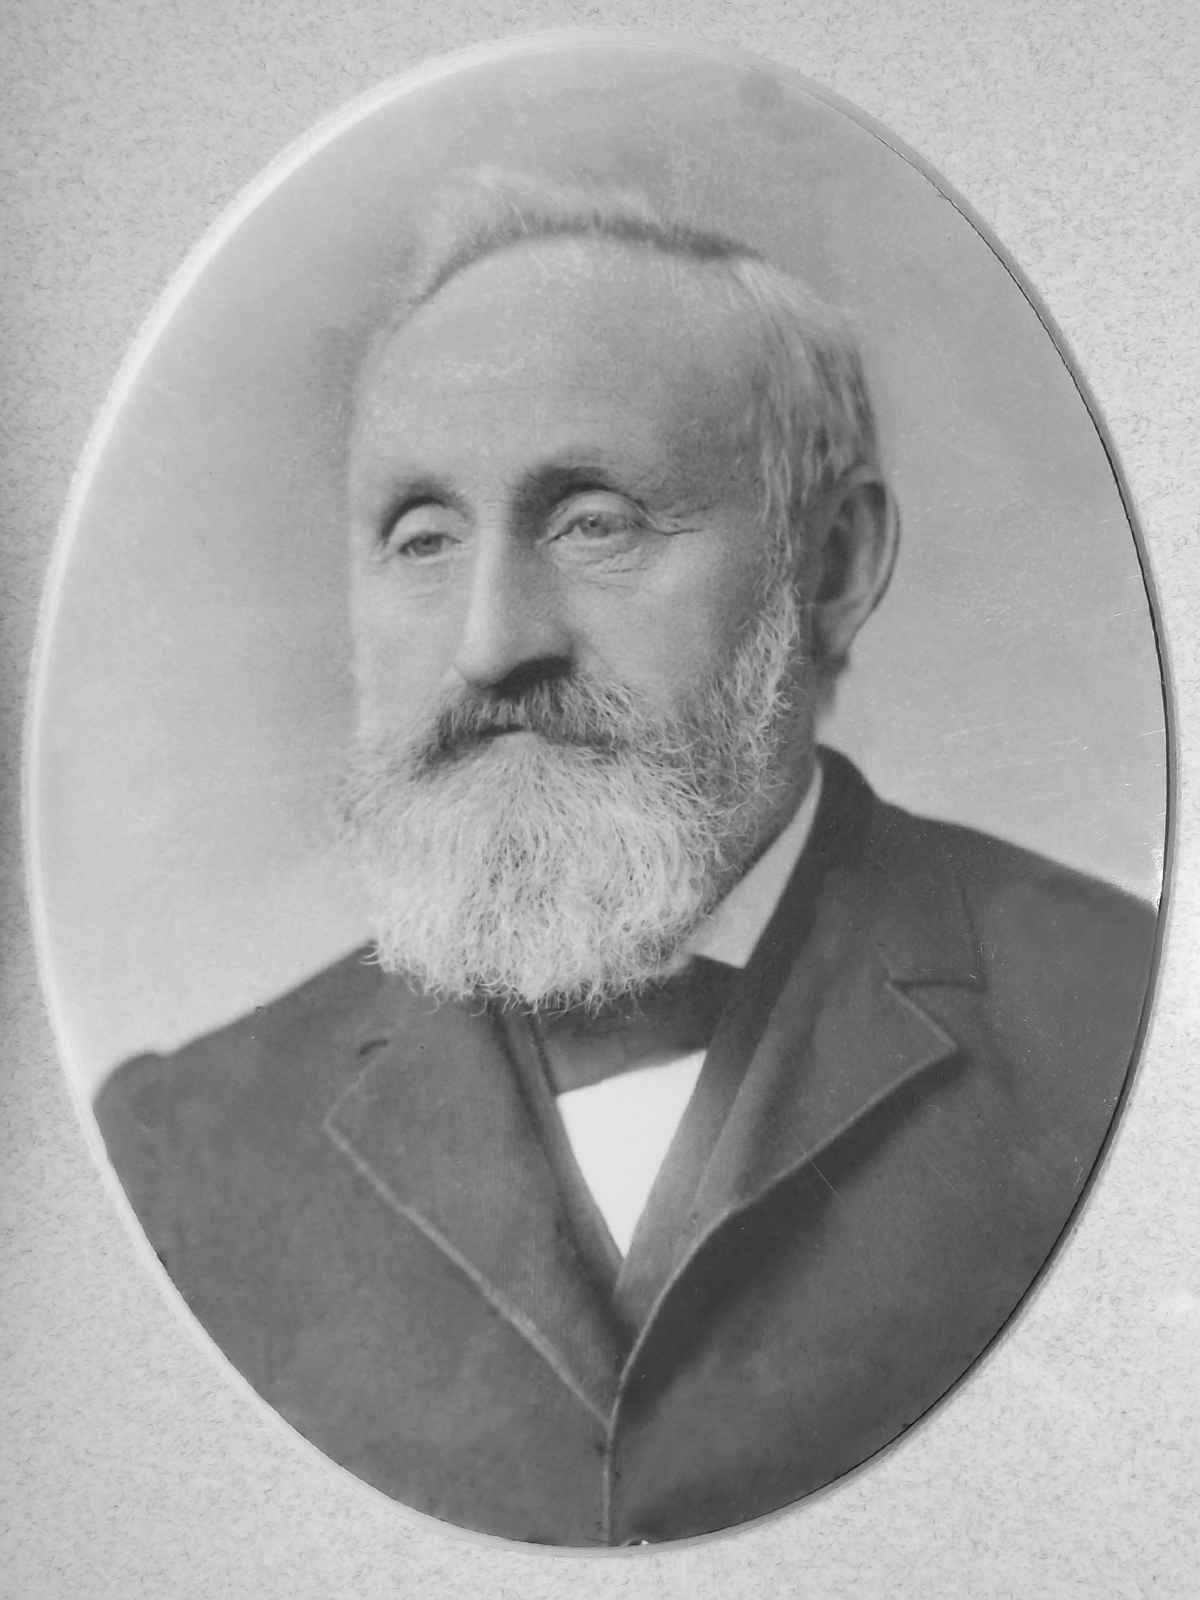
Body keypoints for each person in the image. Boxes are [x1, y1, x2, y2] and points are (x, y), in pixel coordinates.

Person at [94, 177, 1157, 1547]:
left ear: (833, 566)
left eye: (594, 521)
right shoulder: (179, 1149)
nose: (492, 644)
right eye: (423, 538)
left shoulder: (1125, 1021)